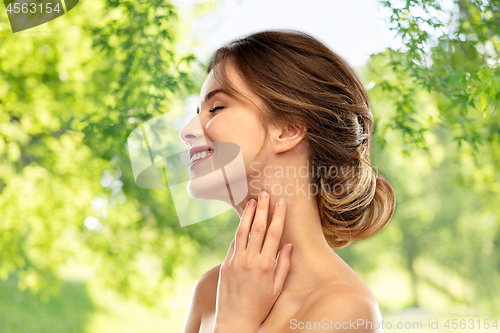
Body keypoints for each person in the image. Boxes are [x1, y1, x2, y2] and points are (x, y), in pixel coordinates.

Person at [180, 29, 395, 333]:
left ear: (288, 129)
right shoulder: (209, 291)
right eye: (198, 111)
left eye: (216, 108)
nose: (186, 131)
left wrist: (236, 321)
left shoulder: (343, 309)